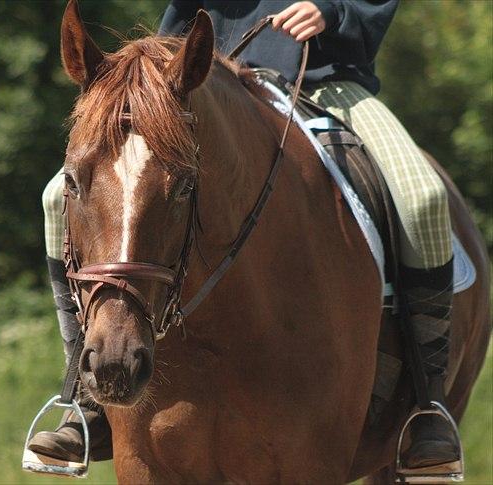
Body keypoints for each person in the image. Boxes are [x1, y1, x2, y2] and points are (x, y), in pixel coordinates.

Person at [30, 0, 459, 472]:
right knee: (58, 197)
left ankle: (426, 402)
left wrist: (335, 11)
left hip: (327, 82)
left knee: (423, 197)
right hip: (199, 76)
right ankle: (86, 402)